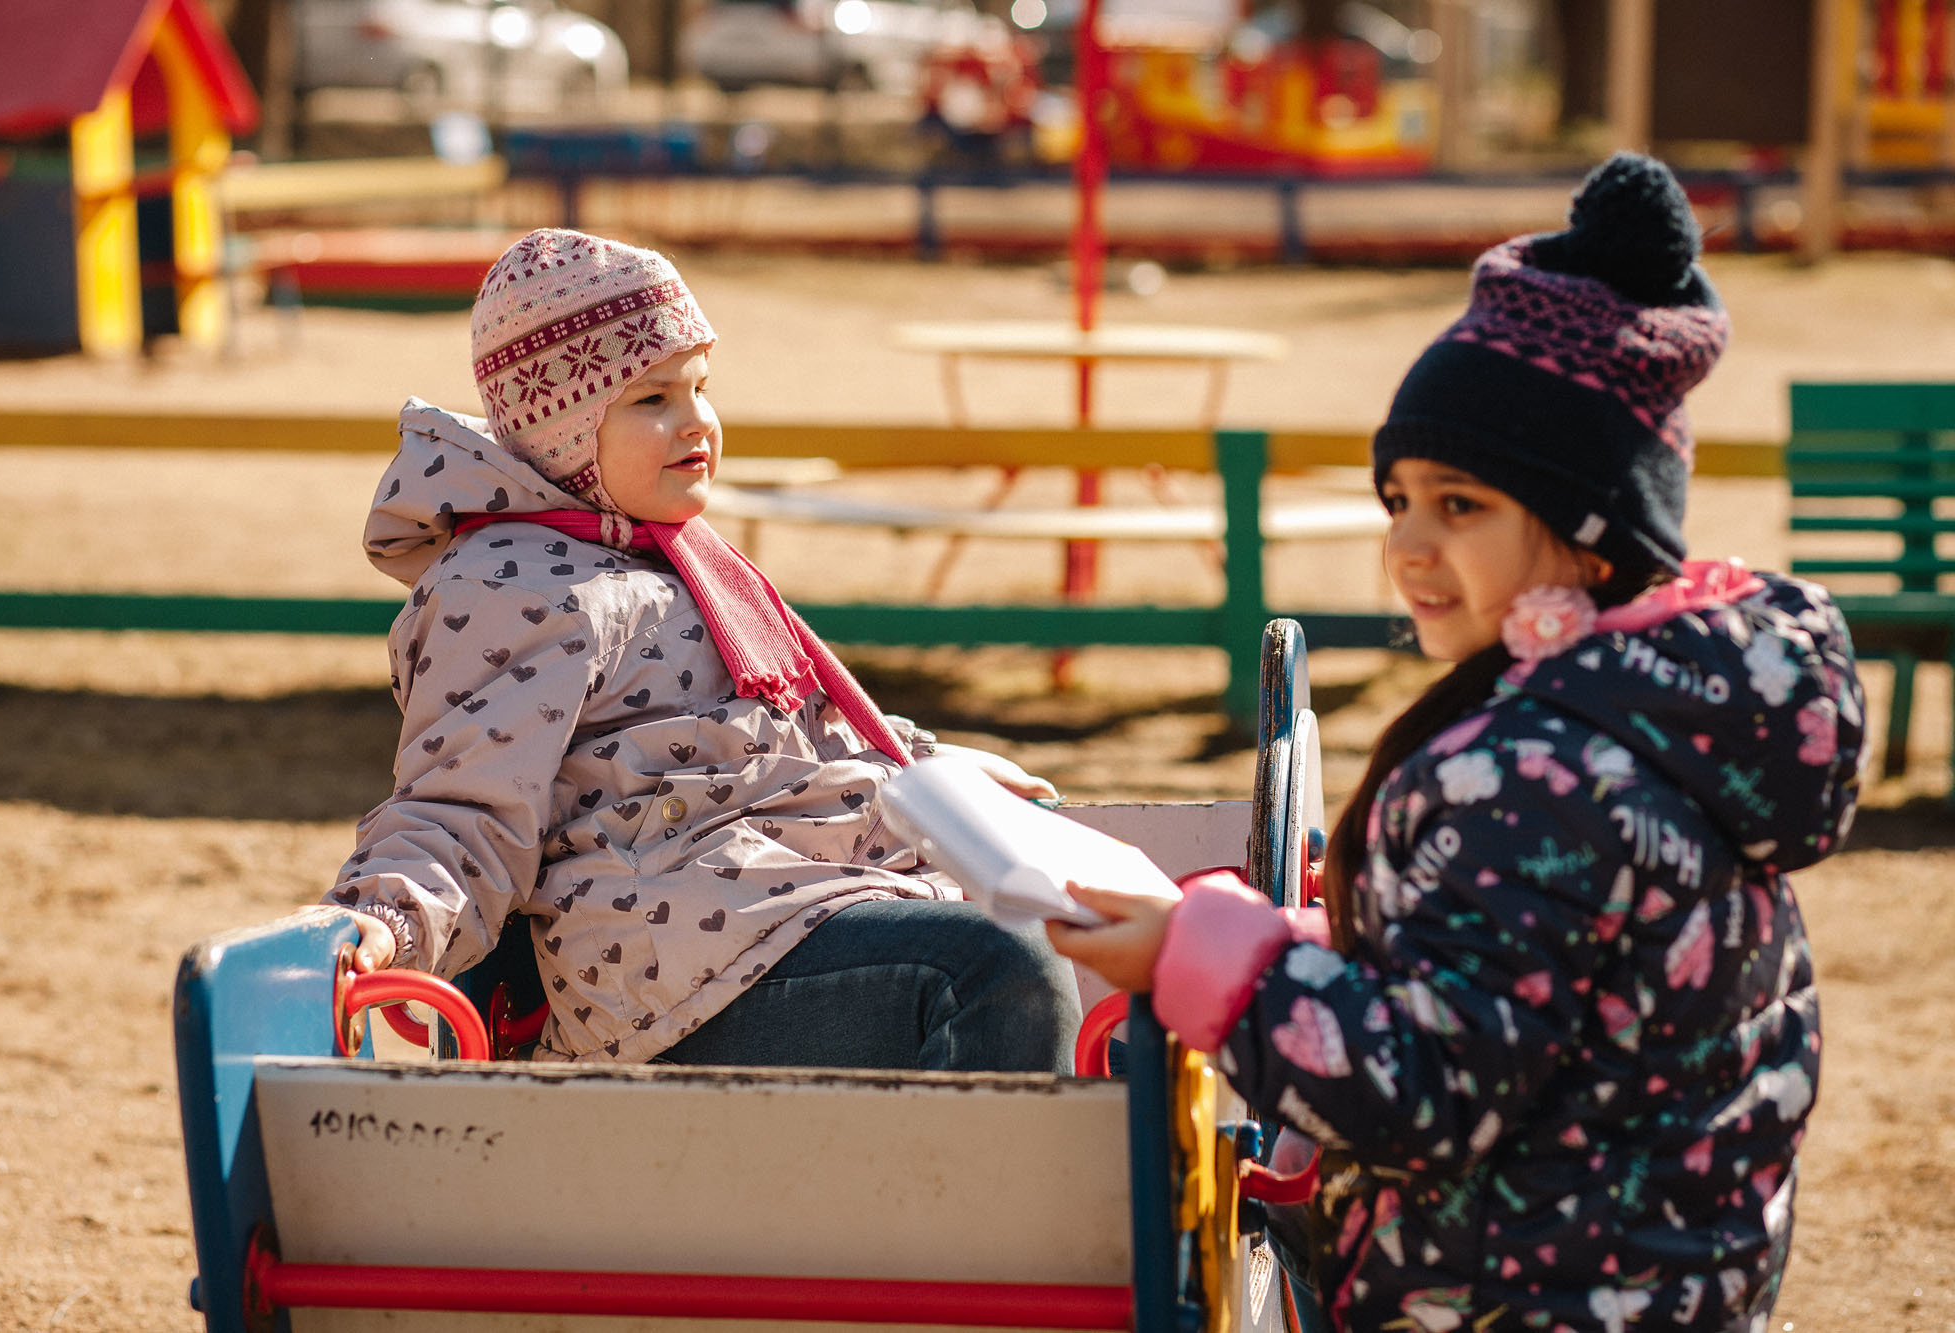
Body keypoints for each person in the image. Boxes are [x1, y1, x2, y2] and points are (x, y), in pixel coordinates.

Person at [1048, 153, 1866, 1332]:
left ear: (1592, 530)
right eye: (1399, 501)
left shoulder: (1532, 774)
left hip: (1518, 1295)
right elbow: (1531, 996)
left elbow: (1421, 1093)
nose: (1408, 547)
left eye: (1461, 505)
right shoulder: (1671, 716)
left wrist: (1201, 958)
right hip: (1655, 1278)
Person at [322, 227, 1080, 1072]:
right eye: (652, 399)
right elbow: (463, 804)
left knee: (1054, 899)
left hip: (765, 902)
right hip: (667, 973)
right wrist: (384, 919)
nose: (697, 424)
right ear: (566, 428)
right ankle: (963, 1202)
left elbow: (771, 726)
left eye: (700, 387)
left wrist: (925, 765)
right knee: (998, 975)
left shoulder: (659, 551)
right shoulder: (516, 588)